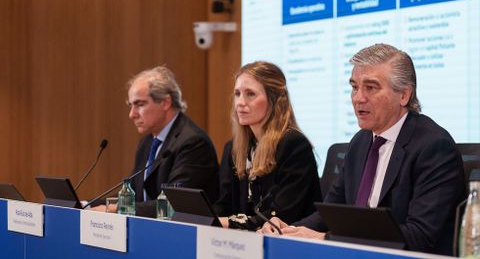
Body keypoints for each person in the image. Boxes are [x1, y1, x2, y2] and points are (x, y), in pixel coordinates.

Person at [259, 44, 466, 255]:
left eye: (371, 87)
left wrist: (328, 239)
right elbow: (331, 213)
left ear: (404, 95)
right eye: (354, 87)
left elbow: (419, 237)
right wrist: (286, 230)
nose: (358, 98)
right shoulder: (361, 142)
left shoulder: (434, 147)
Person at [94, 65, 219, 217]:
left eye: (140, 104)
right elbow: (133, 195)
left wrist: (113, 209)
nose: (132, 114)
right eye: (130, 105)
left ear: (165, 103)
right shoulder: (147, 142)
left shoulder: (193, 143)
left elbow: (172, 204)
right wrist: (86, 204)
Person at [213, 61, 322, 230]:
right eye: (237, 94)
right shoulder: (233, 148)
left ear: (274, 99)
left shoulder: (294, 145)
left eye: (250, 94)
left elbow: (280, 218)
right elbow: (224, 205)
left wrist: (223, 222)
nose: (240, 102)